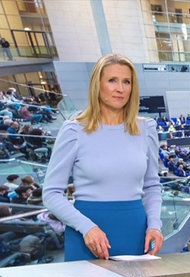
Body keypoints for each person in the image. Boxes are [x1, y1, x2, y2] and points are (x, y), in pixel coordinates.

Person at [42, 53, 163, 261]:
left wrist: (155, 225)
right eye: (112, 81)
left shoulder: (146, 128)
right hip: (87, 234)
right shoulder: (73, 130)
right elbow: (51, 194)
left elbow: (152, 186)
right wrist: (87, 228)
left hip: (136, 232)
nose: (120, 89)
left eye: (127, 82)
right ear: (97, 85)